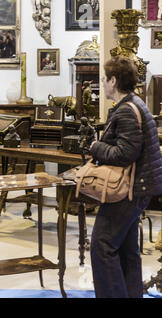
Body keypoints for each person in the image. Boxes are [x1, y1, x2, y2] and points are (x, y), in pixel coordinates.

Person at [89, 56, 162, 298]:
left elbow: (125, 153)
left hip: (128, 190)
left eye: (104, 79)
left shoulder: (127, 110)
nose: (102, 83)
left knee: (102, 245)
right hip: (139, 189)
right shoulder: (136, 103)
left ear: (114, 80)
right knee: (126, 249)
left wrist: (96, 147)